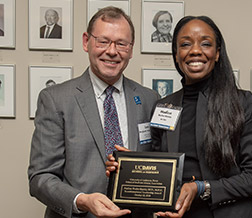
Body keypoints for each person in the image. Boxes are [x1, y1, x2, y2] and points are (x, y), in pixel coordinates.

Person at [108, 15, 252, 218]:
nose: (195, 51)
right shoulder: (164, 106)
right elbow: (159, 170)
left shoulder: (242, 103)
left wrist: (201, 188)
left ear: (217, 53)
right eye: (185, 44)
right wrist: (126, 167)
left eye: (206, 44)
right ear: (176, 54)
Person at [28, 6, 158, 218]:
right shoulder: (55, 99)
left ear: (131, 49)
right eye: (103, 41)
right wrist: (83, 200)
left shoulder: (148, 99)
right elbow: (40, 178)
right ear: (86, 41)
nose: (112, 51)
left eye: (121, 44)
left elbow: (159, 166)